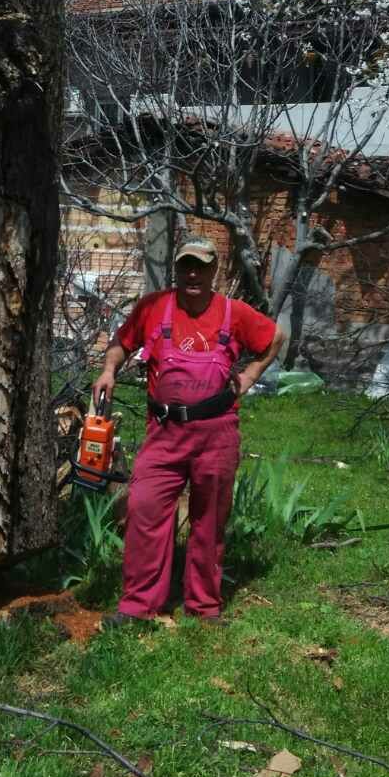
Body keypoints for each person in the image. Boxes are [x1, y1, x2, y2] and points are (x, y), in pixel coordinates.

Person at [92, 239, 286, 623]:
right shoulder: (154, 307)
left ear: (215, 270)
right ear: (177, 270)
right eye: (186, 267)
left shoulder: (234, 313)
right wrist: (108, 369)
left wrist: (250, 374)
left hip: (216, 433)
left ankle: (203, 608)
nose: (193, 274)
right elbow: (120, 344)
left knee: (209, 519)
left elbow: (276, 337)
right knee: (144, 508)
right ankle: (138, 607)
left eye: (201, 267)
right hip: (164, 432)